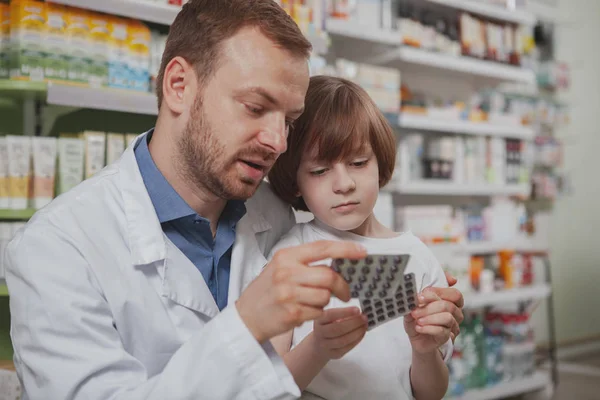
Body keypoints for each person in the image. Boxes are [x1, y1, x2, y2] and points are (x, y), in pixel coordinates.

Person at [4, 1, 464, 399]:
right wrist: (246, 325)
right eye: (255, 107)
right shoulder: (58, 248)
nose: (279, 142)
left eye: (289, 118)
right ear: (179, 85)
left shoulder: (278, 216)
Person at [267, 75, 455, 400]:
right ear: (295, 180)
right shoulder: (293, 256)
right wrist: (318, 347)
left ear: (380, 164)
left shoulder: (417, 257)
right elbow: (267, 384)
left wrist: (424, 351)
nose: (344, 184)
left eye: (358, 163)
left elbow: (431, 393)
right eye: (319, 170)